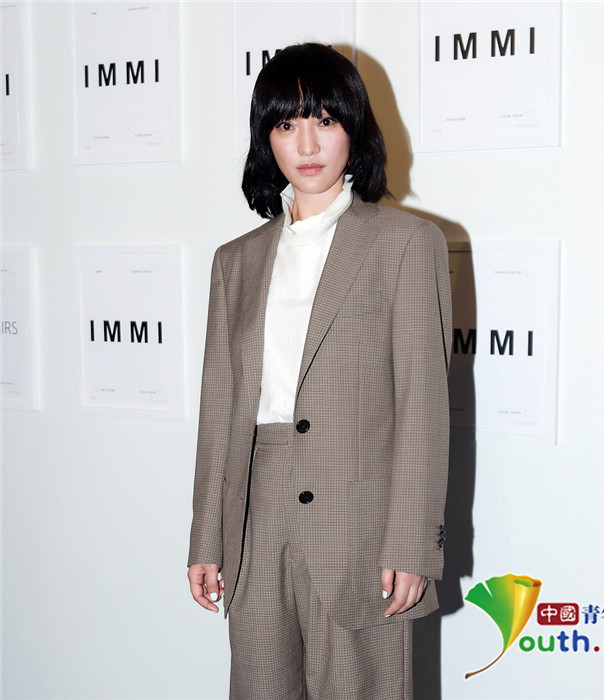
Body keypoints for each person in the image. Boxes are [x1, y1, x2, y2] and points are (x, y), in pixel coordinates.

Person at [187, 43, 451, 700]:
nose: (306, 144)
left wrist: (412, 543)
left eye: (325, 121)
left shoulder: (404, 244)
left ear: (353, 129)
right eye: (286, 124)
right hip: (256, 519)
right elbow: (220, 412)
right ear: (266, 139)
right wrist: (207, 536)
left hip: (362, 523)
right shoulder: (235, 262)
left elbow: (422, 407)